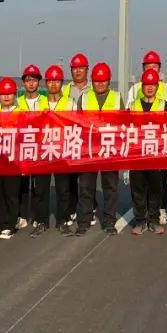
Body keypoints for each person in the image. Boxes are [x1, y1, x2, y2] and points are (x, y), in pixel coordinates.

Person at [76, 62, 122, 234]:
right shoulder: (84, 98)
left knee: (110, 187)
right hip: (89, 149)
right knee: (86, 186)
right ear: (92, 81)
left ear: (109, 81)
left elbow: (123, 123)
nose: (100, 84)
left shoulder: (117, 97)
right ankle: (85, 220)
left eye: (103, 81)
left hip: (110, 149)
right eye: (97, 81)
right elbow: (78, 123)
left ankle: (109, 221)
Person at [129, 68, 167, 236]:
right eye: (147, 84)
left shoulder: (164, 105)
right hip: (137, 154)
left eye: (153, 84)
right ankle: (140, 220)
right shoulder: (133, 105)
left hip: (156, 155)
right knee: (138, 188)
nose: (150, 88)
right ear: (142, 86)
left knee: (155, 189)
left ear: (157, 86)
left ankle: (153, 220)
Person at [16, 64, 50, 235]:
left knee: (40, 187)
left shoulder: (45, 102)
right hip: (22, 149)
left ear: (39, 82)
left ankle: (40, 219)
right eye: (27, 80)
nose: (30, 83)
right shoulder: (18, 102)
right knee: (22, 185)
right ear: (23, 83)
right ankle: (22, 216)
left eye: (34, 80)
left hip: (41, 150)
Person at [43, 64, 77, 233]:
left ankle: (62, 219)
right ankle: (40, 220)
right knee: (40, 189)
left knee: (63, 188)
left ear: (62, 83)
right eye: (50, 81)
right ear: (46, 83)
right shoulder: (41, 103)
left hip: (63, 151)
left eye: (57, 81)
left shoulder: (70, 102)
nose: (54, 84)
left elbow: (77, 125)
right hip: (43, 152)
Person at [0, 78, 21, 239]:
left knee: (11, 193)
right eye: (3, 94)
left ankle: (10, 224)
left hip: (13, 160)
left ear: (15, 95)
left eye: (9, 94)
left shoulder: (21, 113)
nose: (6, 97)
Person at [61, 52, 90, 222]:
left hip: (88, 139)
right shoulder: (64, 90)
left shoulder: (94, 88)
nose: (78, 71)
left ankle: (89, 207)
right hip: (69, 138)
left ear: (87, 69)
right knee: (70, 177)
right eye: (75, 68)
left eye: (81, 68)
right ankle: (71, 208)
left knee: (87, 178)